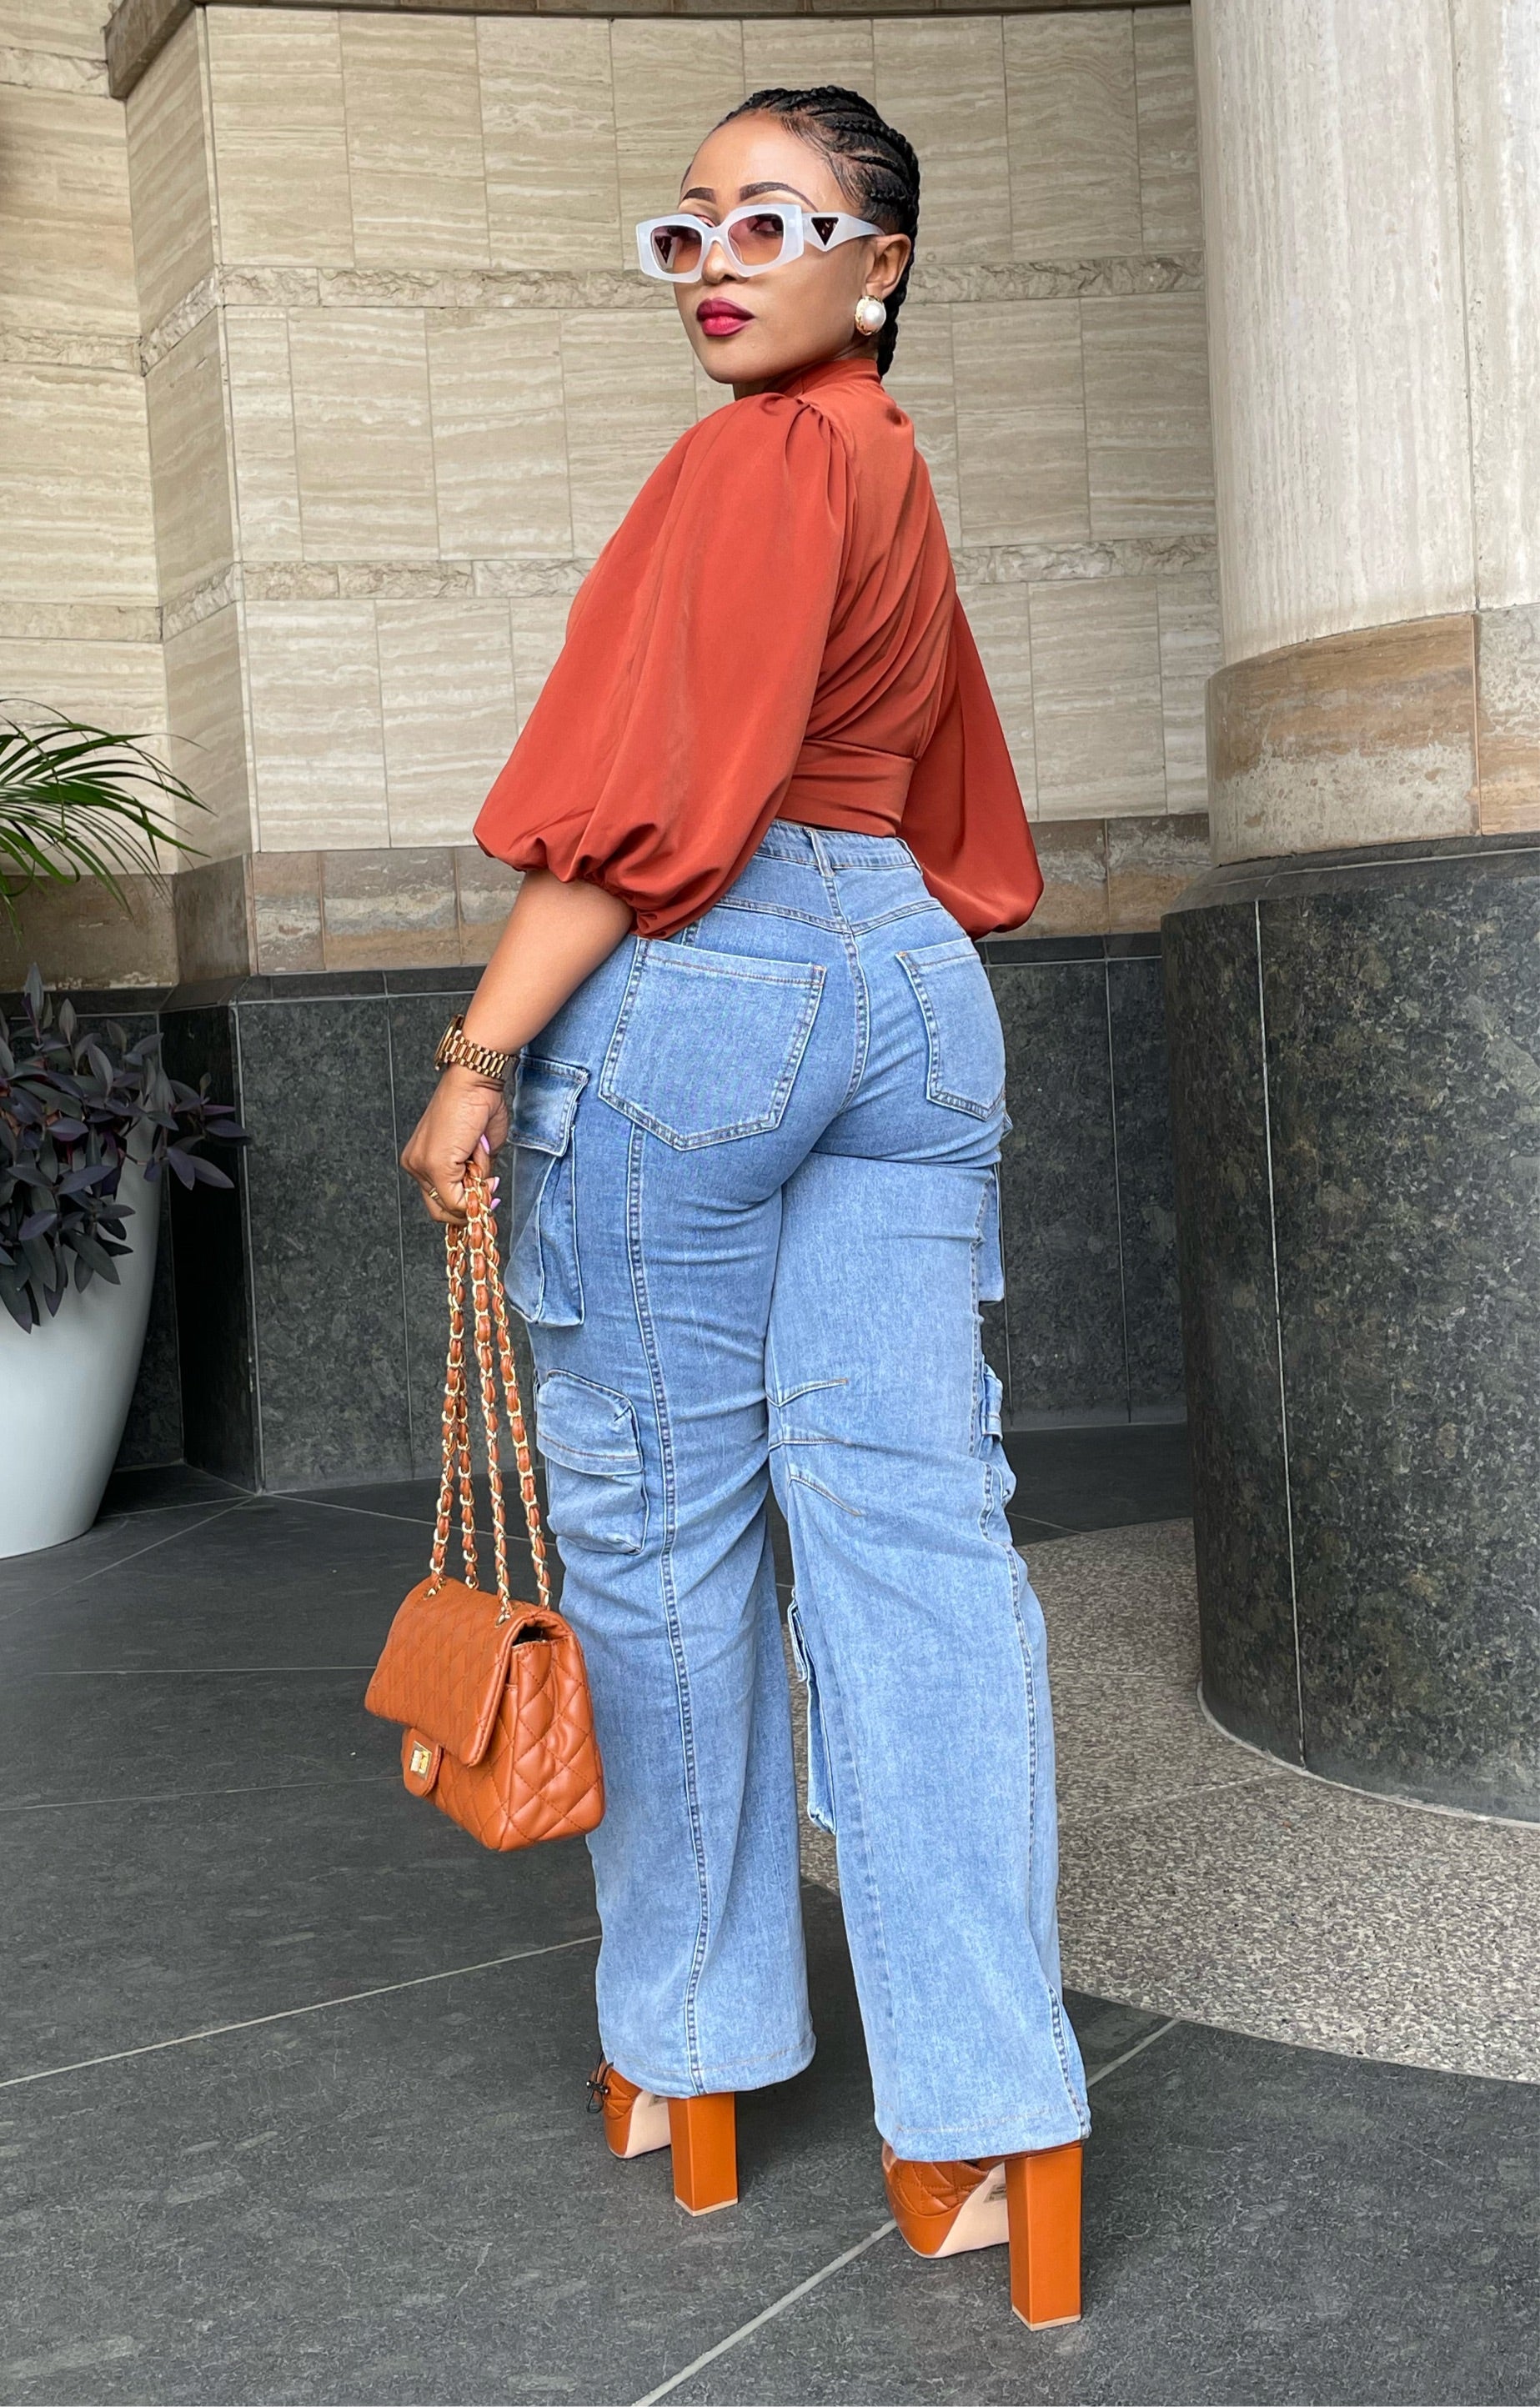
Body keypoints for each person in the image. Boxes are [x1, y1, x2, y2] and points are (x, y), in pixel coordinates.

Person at [402, 85, 1090, 2325]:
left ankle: (692, 2056)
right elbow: (940, 796)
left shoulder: (750, 461)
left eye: (771, 223)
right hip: (912, 987)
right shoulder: (892, 463)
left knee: (663, 1531)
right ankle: (991, 2124)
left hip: (709, 1001)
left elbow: (643, 823)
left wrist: (477, 1057)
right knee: (922, 1547)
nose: (716, 260)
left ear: (880, 265)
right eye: (687, 227)